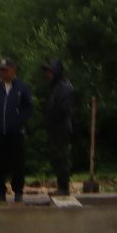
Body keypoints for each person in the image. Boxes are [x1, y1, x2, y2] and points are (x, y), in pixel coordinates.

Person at [0, 57, 33, 203]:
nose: (3, 73)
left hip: (16, 132)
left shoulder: (21, 87)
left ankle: (18, 191)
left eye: (5, 70)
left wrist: (19, 121)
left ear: (13, 70)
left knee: (18, 163)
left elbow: (28, 107)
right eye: (1, 70)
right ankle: (0, 192)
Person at [41, 58, 75, 196]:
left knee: (61, 157)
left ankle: (64, 187)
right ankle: (61, 185)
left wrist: (52, 117)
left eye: (50, 71)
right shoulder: (56, 86)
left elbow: (63, 108)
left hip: (61, 127)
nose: (47, 74)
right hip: (55, 127)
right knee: (57, 157)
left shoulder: (64, 87)